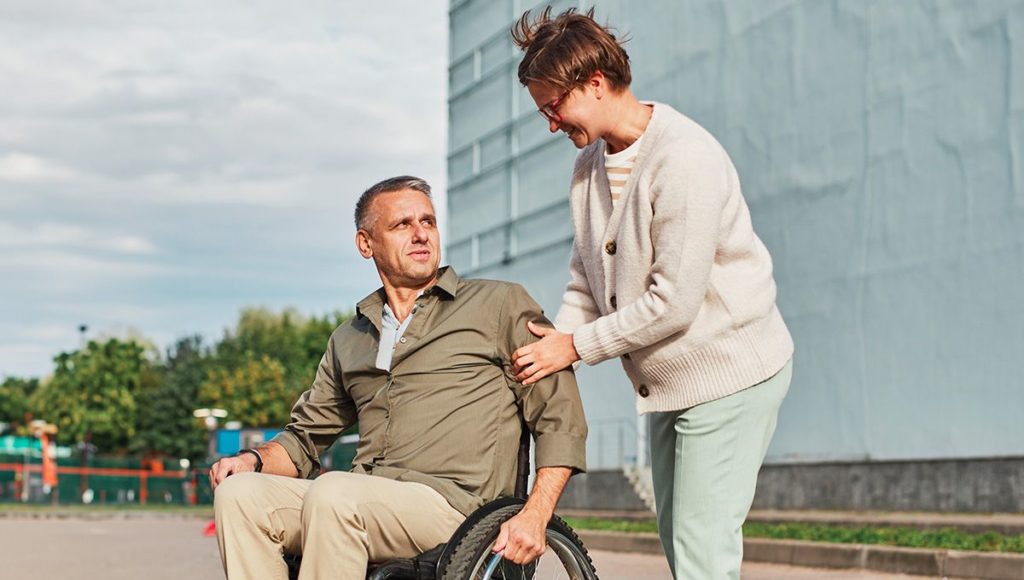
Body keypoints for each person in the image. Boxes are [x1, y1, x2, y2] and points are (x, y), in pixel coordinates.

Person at [509, 8, 795, 579]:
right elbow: (585, 280)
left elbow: (673, 303)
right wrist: (549, 346)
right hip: (674, 382)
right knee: (679, 537)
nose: (551, 125)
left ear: (594, 83)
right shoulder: (589, 167)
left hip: (730, 372)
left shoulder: (683, 157)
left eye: (553, 107)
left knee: (700, 549)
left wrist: (575, 347)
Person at [209, 176, 587, 579]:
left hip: (457, 509)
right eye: (402, 225)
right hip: (360, 498)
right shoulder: (350, 338)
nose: (420, 234)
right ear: (365, 243)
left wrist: (536, 513)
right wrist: (251, 459)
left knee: (335, 493)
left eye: (428, 221)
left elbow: (558, 414)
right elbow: (303, 440)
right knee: (240, 495)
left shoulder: (498, 305)